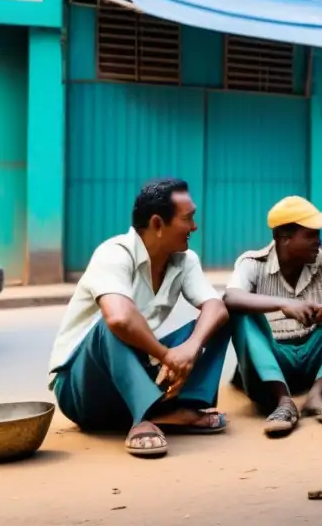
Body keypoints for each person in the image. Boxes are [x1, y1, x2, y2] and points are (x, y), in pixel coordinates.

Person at [48, 179, 231, 458]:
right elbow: (120, 319)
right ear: (158, 224)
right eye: (188, 219)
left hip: (135, 375)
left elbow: (215, 307)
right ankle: (142, 416)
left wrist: (190, 348)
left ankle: (171, 410)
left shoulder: (185, 260)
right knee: (113, 324)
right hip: (81, 388)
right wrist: (168, 356)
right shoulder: (114, 253)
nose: (194, 227)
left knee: (218, 321)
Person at [224, 196, 322, 438]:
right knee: (241, 315)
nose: (318, 241)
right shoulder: (252, 263)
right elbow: (231, 298)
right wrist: (285, 304)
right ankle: (282, 401)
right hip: (273, 361)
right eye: (310, 235)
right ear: (284, 238)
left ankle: (318, 394)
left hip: (314, 359)